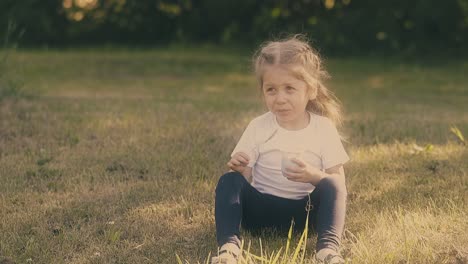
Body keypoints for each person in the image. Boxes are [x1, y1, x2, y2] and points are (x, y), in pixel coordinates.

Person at [212, 35, 349, 264]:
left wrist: (314, 176)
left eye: (289, 88)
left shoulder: (323, 128)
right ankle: (229, 248)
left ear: (311, 90)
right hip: (260, 213)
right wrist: (241, 167)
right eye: (271, 90)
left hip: (306, 214)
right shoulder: (258, 126)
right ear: (263, 91)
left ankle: (328, 250)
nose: (280, 98)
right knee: (229, 181)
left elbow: (337, 180)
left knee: (334, 185)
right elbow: (245, 178)